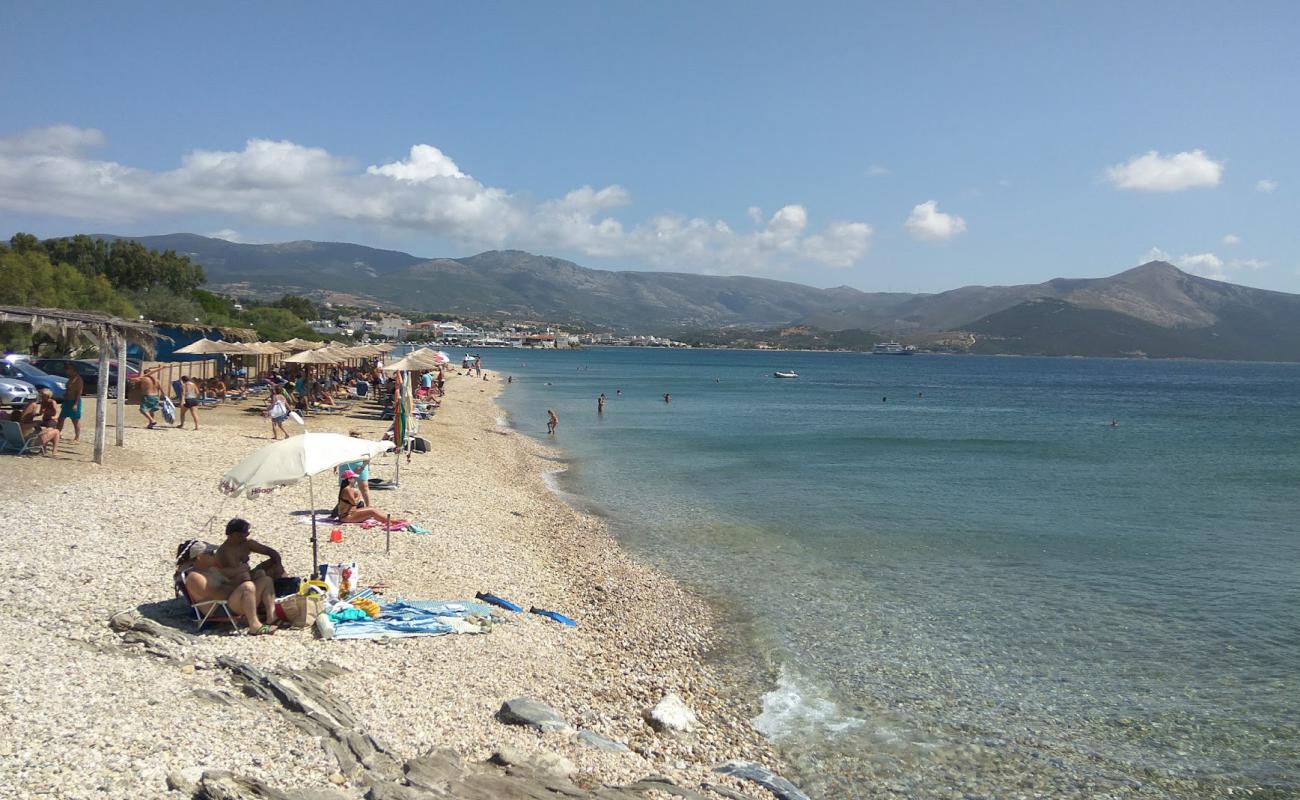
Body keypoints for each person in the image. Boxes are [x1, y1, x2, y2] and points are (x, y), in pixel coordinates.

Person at [176, 520, 281, 636]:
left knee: (265, 580)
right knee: (247, 586)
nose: (214, 555)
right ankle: (254, 625)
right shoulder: (195, 577)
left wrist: (239, 579)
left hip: (229, 603)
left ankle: (272, 617)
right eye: (210, 553)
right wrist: (240, 583)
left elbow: (227, 583)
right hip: (218, 609)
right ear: (200, 557)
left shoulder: (211, 570)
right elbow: (219, 594)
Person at [334, 471, 403, 525]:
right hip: (346, 516)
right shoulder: (347, 489)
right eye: (353, 478)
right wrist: (359, 494)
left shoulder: (347, 488)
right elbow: (354, 503)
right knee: (372, 511)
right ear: (349, 479)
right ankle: (392, 521)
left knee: (372, 508)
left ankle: (391, 520)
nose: (355, 479)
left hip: (349, 513)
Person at [340, 430, 372, 508]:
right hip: (346, 466)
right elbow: (339, 456)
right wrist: (335, 467)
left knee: (364, 486)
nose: (356, 437)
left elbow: (368, 457)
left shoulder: (365, 445)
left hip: (361, 465)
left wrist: (363, 466)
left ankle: (368, 506)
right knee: (346, 487)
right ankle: (344, 506)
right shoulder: (345, 444)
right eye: (354, 436)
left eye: (357, 436)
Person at [59, 363, 84, 441]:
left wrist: (75, 404)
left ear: (72, 370)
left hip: (74, 401)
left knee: (75, 420)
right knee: (61, 418)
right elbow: (67, 390)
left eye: (68, 370)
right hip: (67, 401)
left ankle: (77, 437)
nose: (66, 372)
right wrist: (64, 402)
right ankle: (57, 433)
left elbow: (78, 393)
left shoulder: (78, 379)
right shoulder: (70, 378)